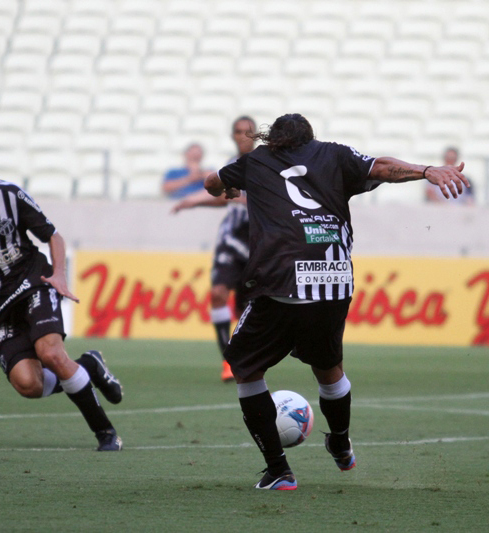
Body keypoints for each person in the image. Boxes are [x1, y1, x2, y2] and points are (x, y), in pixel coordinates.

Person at [204, 113, 469, 490]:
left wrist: (223, 188)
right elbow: (383, 167)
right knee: (329, 369)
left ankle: (279, 470)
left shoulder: (256, 161)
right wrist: (427, 170)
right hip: (332, 282)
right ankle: (341, 444)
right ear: (310, 139)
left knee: (245, 370)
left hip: (280, 282)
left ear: (273, 140)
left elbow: (211, 180)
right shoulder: (335, 154)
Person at [0, 130, 124, 451]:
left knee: (51, 354)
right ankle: (89, 365)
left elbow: (53, 236)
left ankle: (105, 433)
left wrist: (59, 275)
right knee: (28, 384)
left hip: (33, 282)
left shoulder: (9, 195)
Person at [172, 116, 257, 382]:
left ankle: (244, 358)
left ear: (255, 135)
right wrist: (193, 201)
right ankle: (228, 361)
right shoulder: (231, 166)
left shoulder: (267, 166)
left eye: (247, 132)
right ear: (233, 136)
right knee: (219, 293)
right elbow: (223, 196)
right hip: (230, 238)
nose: (242, 136)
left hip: (256, 243)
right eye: (238, 132)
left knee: (247, 308)